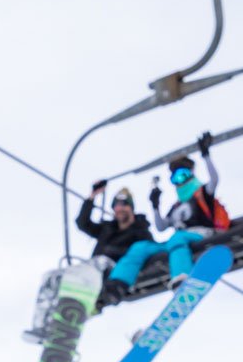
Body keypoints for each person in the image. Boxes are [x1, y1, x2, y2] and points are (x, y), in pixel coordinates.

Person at [109, 131, 232, 291]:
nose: (180, 181)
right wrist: (155, 205)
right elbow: (161, 227)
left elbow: (214, 180)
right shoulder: (175, 207)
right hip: (177, 241)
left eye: (183, 175)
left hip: (202, 233)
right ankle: (118, 283)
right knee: (140, 247)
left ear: (191, 174)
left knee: (177, 238)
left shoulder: (202, 194)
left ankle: (182, 277)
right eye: (175, 178)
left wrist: (206, 155)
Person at [77, 179, 152, 310]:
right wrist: (93, 196)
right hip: (95, 271)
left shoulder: (140, 231)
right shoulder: (107, 229)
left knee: (102, 263)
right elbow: (83, 223)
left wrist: (114, 252)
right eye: (116, 206)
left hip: (117, 272)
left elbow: (145, 252)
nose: (119, 208)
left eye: (124, 205)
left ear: (131, 208)